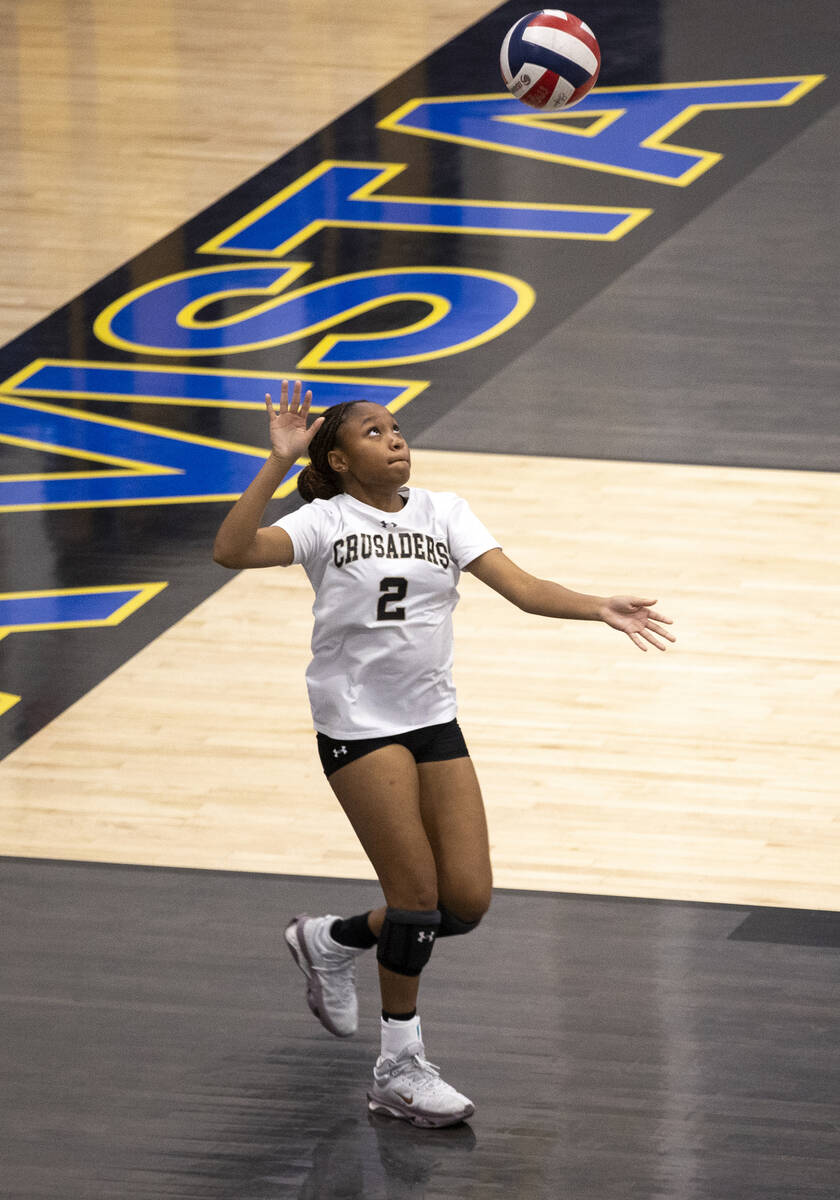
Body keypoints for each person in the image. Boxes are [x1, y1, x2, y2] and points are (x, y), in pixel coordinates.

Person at [213, 379, 675, 1129]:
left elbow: (521, 589)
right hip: (358, 725)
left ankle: (327, 940)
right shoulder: (323, 521)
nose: (394, 438)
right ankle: (399, 1066)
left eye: (395, 427)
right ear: (339, 458)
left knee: (464, 903)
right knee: (417, 898)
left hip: (432, 718)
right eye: (373, 433)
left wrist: (597, 605)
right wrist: (275, 464)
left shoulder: (445, 512)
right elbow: (231, 550)